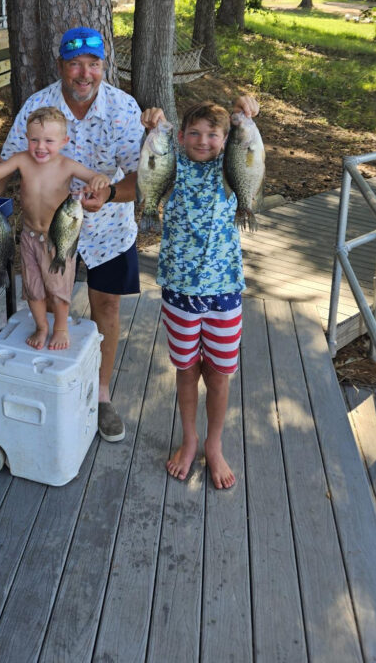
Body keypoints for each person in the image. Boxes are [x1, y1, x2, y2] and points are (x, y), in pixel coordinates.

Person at [0, 26, 143, 442]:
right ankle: (45, 354)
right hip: (42, 233)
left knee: (107, 309)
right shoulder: (38, 105)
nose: (84, 74)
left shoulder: (123, 107)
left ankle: (101, 395)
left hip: (107, 227)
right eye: (75, 64)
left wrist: (112, 192)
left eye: (93, 64)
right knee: (38, 293)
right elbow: (7, 165)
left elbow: (143, 176)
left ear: (104, 66)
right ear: (62, 65)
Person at [140, 95, 260, 489]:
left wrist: (248, 116)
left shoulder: (230, 171)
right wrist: (153, 124)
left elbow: (250, 154)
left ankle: (213, 443)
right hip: (179, 290)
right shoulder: (174, 168)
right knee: (187, 369)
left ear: (226, 140)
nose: (202, 140)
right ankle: (189, 438)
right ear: (182, 137)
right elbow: (153, 158)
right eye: (194, 132)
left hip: (224, 291)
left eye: (212, 134)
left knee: (220, 374)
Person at [0, 106, 110, 351]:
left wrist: (100, 180)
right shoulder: (22, 160)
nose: (40, 146)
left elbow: (97, 177)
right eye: (34, 139)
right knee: (33, 288)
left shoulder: (68, 166)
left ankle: (61, 328)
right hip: (29, 237)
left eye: (48, 140)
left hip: (57, 238)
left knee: (58, 288)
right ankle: (42, 325)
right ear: (26, 138)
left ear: (64, 141)